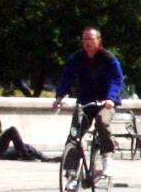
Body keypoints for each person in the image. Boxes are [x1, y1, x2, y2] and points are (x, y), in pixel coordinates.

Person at [51, 26, 125, 157]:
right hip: (85, 101)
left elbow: (116, 78)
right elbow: (66, 77)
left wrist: (110, 98)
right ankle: (70, 170)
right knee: (75, 133)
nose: (87, 42)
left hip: (105, 102)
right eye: (85, 39)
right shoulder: (77, 58)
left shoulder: (108, 58)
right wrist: (60, 96)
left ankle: (107, 157)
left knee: (102, 121)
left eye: (91, 39)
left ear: (98, 40)